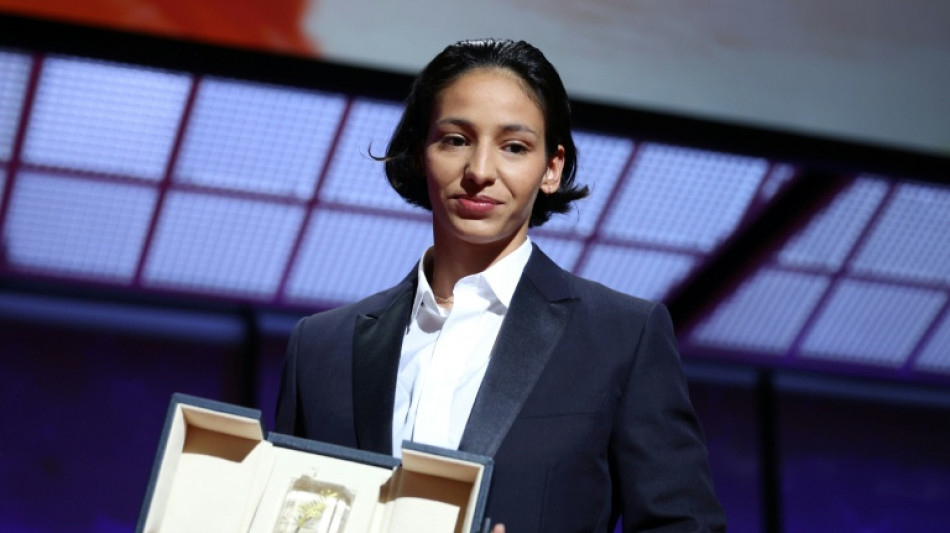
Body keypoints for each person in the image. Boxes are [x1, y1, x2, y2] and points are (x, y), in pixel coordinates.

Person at [275, 38, 726, 532]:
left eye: (514, 147)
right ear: (419, 152)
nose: (480, 172)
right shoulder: (321, 348)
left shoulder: (622, 336)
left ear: (551, 169)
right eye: (455, 140)